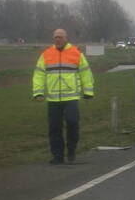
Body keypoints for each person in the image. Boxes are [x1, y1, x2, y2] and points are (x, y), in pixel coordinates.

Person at [32, 29, 94, 164]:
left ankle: (71, 150)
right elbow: (39, 74)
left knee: (73, 124)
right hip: (53, 99)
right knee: (54, 128)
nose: (57, 39)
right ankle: (57, 156)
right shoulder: (46, 54)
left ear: (66, 38)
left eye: (60, 37)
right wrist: (38, 92)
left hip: (71, 98)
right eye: (55, 37)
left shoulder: (76, 53)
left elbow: (85, 73)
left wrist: (88, 91)